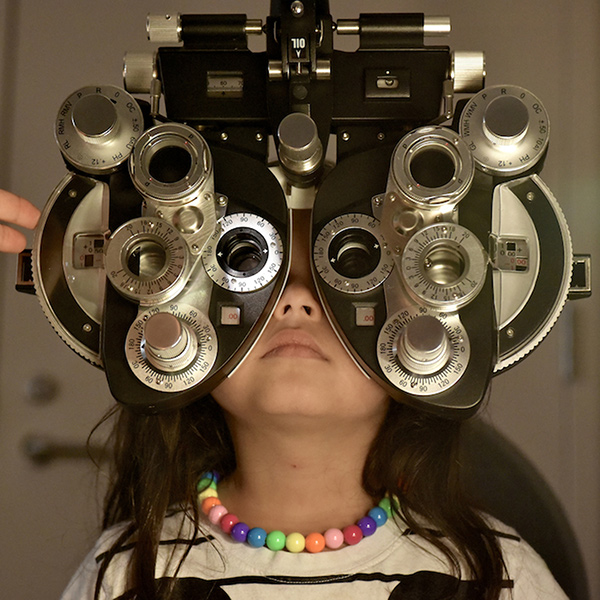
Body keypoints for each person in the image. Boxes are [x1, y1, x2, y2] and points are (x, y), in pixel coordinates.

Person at [1, 191, 566, 599]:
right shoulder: (126, 573)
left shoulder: (497, 574)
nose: (295, 301)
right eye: (248, 268)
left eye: (346, 276)